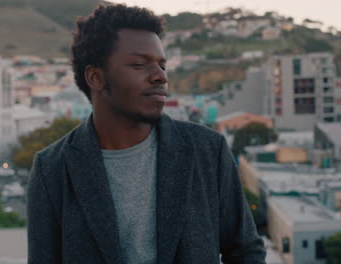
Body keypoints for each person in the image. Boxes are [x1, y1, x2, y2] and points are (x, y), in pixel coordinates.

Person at [27, 4, 266, 264]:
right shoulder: (52, 169)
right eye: (140, 64)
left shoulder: (208, 150)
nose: (160, 77)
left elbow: (245, 251)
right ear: (95, 77)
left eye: (162, 65)